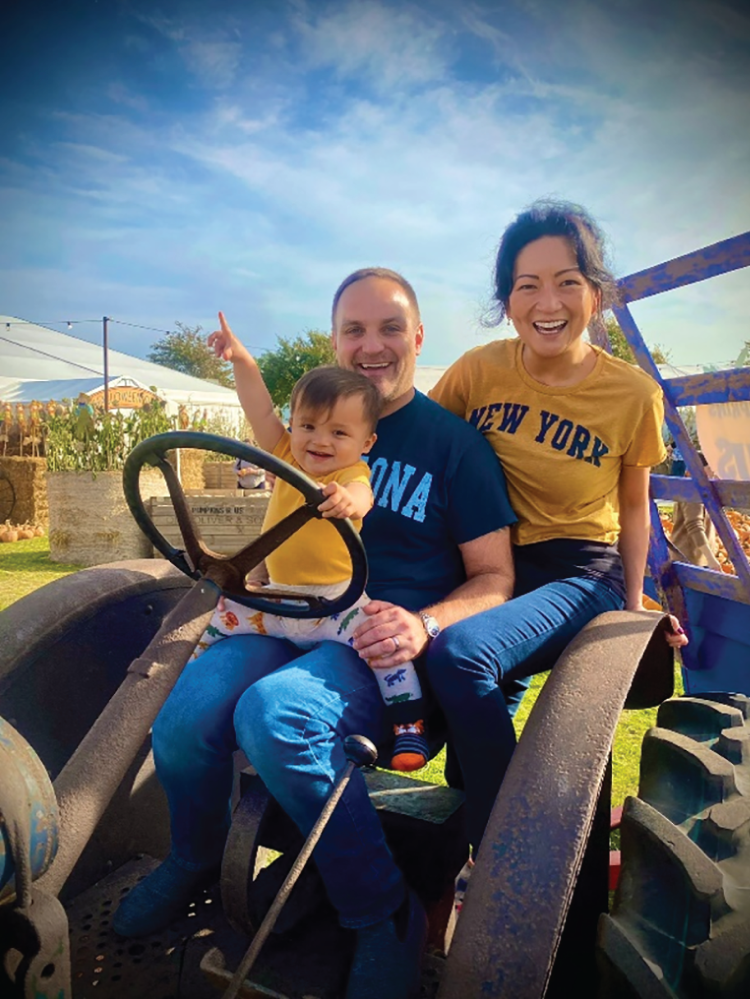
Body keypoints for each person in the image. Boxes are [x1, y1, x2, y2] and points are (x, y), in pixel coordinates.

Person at [113, 268, 517, 999]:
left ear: (417, 338)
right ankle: (195, 856)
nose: (372, 344)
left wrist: (425, 624)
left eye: (390, 327)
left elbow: (495, 577)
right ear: (334, 341)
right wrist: (240, 363)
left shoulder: (455, 448)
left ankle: (379, 908)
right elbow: (263, 420)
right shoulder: (304, 431)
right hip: (287, 615)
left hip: (372, 647)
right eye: (354, 330)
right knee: (183, 712)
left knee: (276, 714)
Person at [426, 199, 688, 856]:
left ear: (595, 295)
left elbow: (635, 506)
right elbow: (417, 450)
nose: (549, 300)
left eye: (568, 281)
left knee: (461, 655)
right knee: (465, 749)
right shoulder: (476, 372)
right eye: (527, 284)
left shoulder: (632, 395)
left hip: (581, 569)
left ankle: (510, 858)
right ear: (507, 300)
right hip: (494, 567)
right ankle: (446, 866)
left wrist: (630, 612)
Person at [193, 334, 429, 771]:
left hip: (335, 604)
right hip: (276, 598)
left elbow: (363, 497)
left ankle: (408, 725)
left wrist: (346, 501)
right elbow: (260, 409)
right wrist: (242, 358)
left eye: (339, 432)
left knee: (385, 647)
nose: (319, 441)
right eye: (308, 427)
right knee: (212, 623)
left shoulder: (352, 472)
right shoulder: (285, 455)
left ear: (367, 442)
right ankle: (178, 690)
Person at [671, 454, 722, 570]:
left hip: (696, 558)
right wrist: (711, 559)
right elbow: (694, 525)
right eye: (710, 469)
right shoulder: (693, 491)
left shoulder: (703, 490)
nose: (713, 473)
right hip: (690, 558)